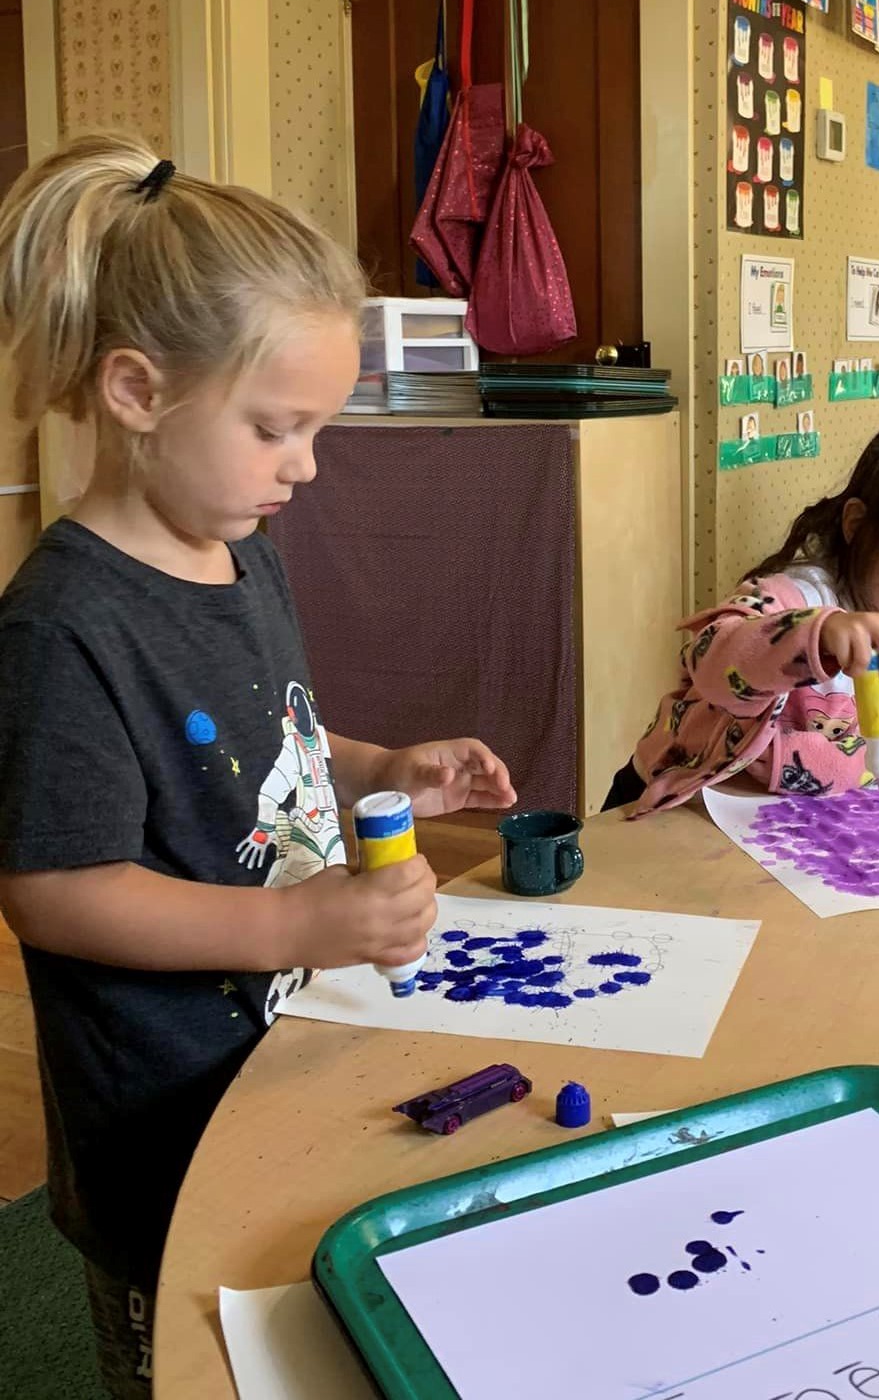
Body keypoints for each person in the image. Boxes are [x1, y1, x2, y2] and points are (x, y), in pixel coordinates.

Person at [0, 134, 517, 1396]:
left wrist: (373, 761)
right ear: (135, 391)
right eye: (277, 428)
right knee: (188, 1361)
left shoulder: (239, 550)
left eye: (317, 429)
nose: (307, 465)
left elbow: (271, 738)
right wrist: (292, 915)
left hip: (282, 1052)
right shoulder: (62, 628)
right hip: (161, 1126)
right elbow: (57, 888)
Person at [605, 408, 879, 813]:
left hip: (790, 821)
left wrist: (848, 766)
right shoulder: (798, 596)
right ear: (857, 526)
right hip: (680, 796)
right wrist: (814, 636)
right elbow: (709, 662)